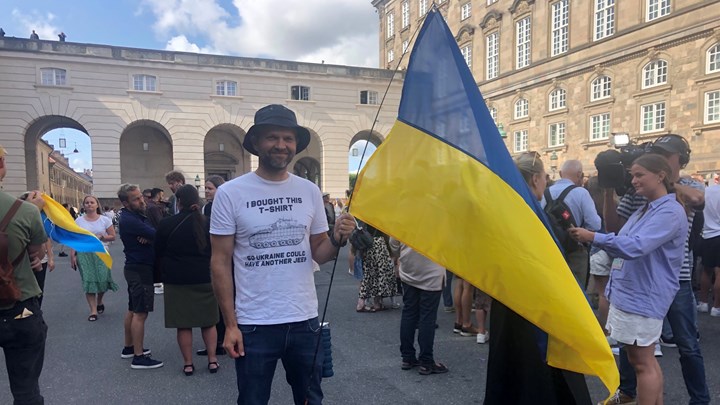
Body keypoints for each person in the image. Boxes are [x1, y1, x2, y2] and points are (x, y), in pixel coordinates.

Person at [210, 104, 355, 405]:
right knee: (252, 400)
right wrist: (231, 325)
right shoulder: (231, 193)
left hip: (305, 319)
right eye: (272, 137)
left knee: (310, 399)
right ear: (257, 143)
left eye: (288, 139)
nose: (281, 145)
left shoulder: (309, 191)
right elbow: (220, 262)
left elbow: (319, 251)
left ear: (295, 145)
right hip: (253, 323)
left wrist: (338, 239)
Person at [570, 154, 688, 405]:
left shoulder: (668, 211)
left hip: (643, 295)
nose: (633, 181)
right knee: (644, 361)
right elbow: (618, 233)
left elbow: (635, 246)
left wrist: (592, 237)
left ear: (661, 176)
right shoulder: (647, 208)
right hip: (634, 294)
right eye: (632, 175)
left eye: (639, 175)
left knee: (642, 363)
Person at [601, 134, 709, 405]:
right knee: (635, 346)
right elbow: (615, 228)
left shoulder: (685, 185)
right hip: (640, 278)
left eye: (667, 154)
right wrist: (609, 189)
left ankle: (700, 399)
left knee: (686, 344)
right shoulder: (639, 189)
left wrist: (665, 183)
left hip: (677, 276)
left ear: (679, 160)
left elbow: (698, 199)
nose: (662, 156)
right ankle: (627, 392)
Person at [484, 151, 591, 404]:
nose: (546, 182)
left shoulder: (506, 209)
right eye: (545, 177)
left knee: (510, 368)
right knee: (537, 373)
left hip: (508, 301)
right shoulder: (532, 214)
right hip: (536, 306)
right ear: (535, 179)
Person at [0, 144, 49, 404]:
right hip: (19, 308)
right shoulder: (26, 211)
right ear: (1, 168)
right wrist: (34, 208)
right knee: (26, 391)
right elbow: (36, 255)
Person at [155, 185, 219, 376]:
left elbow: (158, 252)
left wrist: (158, 277)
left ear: (179, 202)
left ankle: (188, 364)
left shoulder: (167, 224)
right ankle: (213, 360)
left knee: (183, 324)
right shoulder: (208, 223)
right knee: (209, 322)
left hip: (177, 280)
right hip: (204, 278)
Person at [117, 183, 163, 369]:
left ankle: (129, 348)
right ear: (125, 203)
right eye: (135, 199)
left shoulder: (135, 216)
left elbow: (151, 233)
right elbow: (157, 233)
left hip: (135, 267)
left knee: (133, 308)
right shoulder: (130, 219)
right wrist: (151, 236)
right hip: (139, 268)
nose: (141, 200)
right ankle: (138, 356)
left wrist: (149, 236)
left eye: (140, 197)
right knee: (140, 312)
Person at [389, 237, 448, 375]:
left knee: (409, 312)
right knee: (427, 317)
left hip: (409, 267)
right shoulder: (442, 216)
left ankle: (407, 357)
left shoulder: (404, 214)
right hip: (433, 268)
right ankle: (426, 361)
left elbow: (394, 243)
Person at [548, 159, 601, 288]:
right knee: (576, 289)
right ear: (579, 175)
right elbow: (595, 225)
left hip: (550, 249)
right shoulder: (581, 193)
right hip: (576, 251)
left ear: (560, 173)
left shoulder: (545, 192)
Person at [70, 195, 119, 321]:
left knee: (102, 279)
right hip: (84, 253)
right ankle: (93, 311)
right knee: (88, 280)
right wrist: (73, 255)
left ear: (97, 205)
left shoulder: (104, 220)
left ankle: (100, 301)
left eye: (92, 202)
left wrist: (103, 237)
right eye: (87, 203)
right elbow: (75, 239)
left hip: (101, 252)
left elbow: (113, 236)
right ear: (84, 206)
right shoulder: (79, 221)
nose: (89, 204)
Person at [197, 175, 227, 356]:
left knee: (224, 298)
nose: (207, 191)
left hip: (223, 255)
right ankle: (215, 342)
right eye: (206, 188)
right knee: (214, 300)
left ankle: (223, 339)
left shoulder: (225, 205)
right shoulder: (207, 207)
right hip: (210, 253)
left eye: (210, 188)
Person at [699, 182, 720, 316]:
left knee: (706, 270)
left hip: (707, 234)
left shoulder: (707, 190)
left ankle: (703, 303)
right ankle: (717, 307)